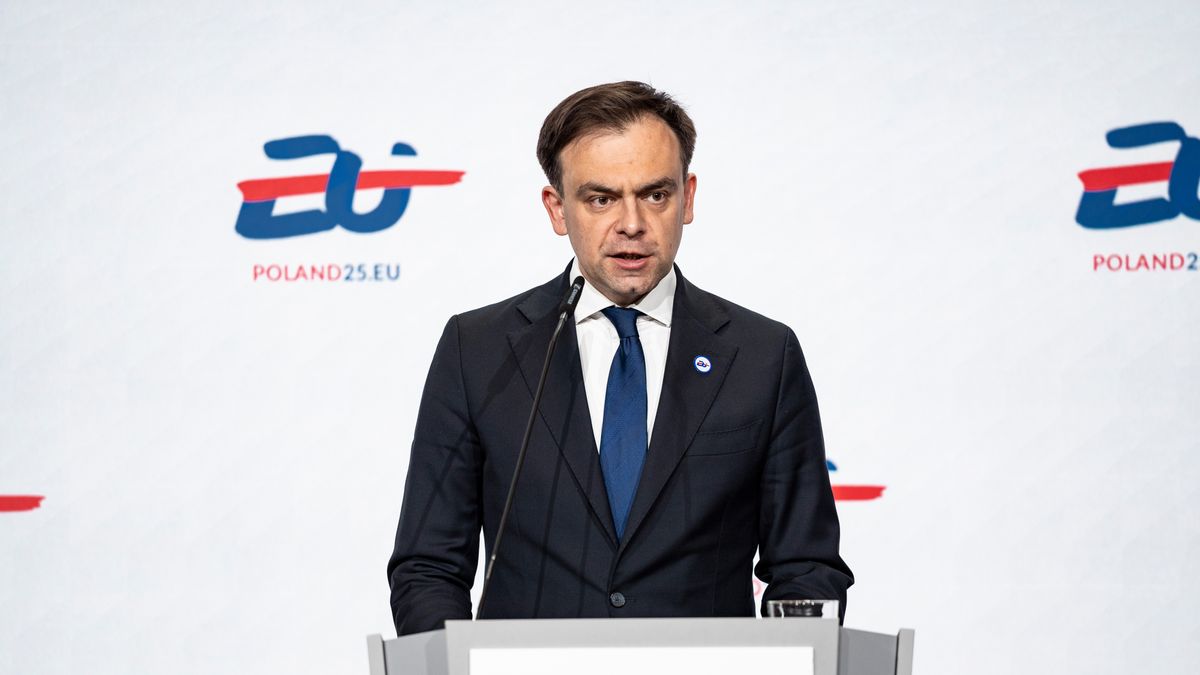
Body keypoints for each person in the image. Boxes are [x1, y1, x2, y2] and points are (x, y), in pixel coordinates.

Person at [387, 81, 852, 636]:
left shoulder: (761, 355)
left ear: (689, 197)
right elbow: (429, 566)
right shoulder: (478, 349)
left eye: (655, 195)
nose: (632, 224)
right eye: (600, 198)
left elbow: (806, 570)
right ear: (557, 209)